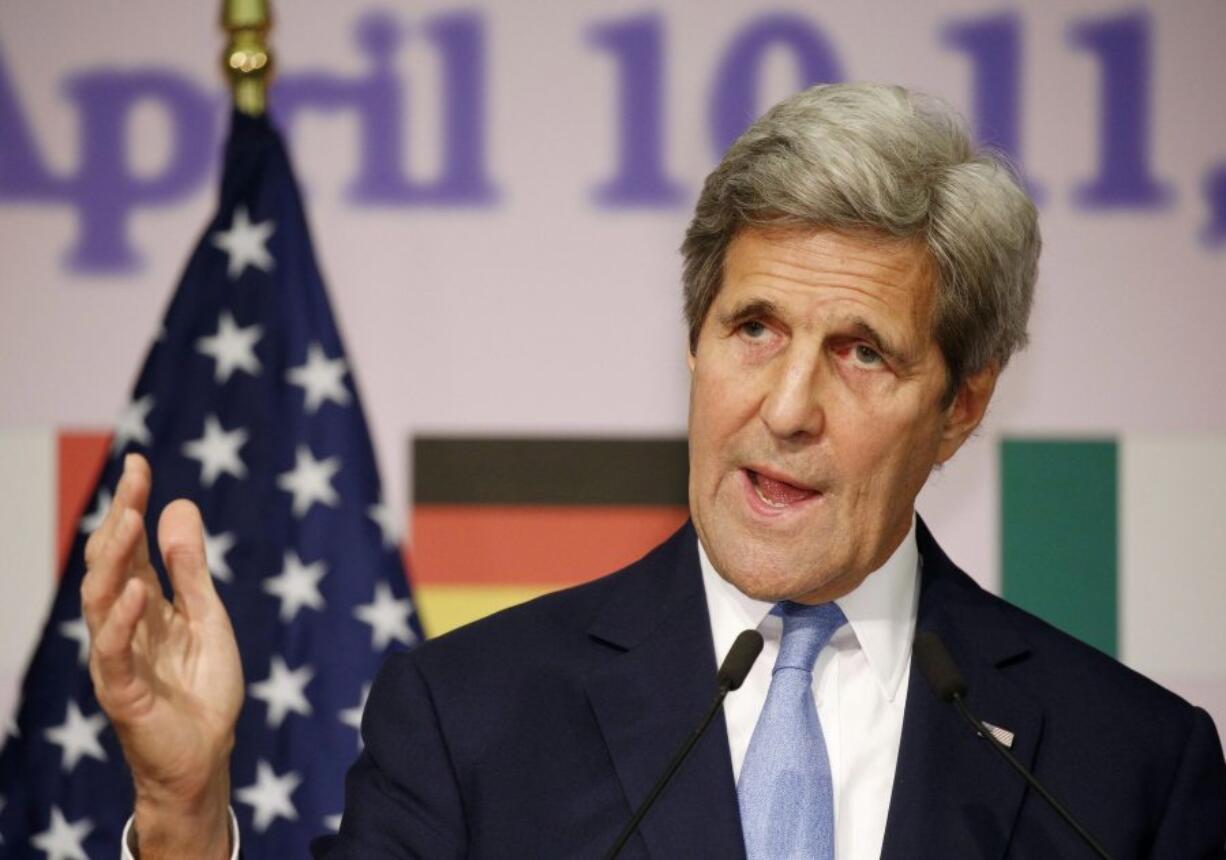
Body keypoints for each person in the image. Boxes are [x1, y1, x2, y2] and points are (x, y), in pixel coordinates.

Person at [83, 82, 1226, 859]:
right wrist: (183, 814)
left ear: (958, 407)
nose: (785, 409)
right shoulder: (466, 718)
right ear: (693, 340)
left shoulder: (1121, 767)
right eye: (753, 328)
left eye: (860, 352)